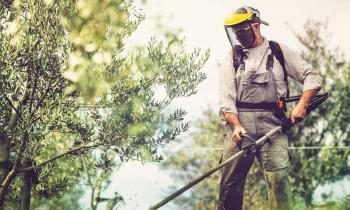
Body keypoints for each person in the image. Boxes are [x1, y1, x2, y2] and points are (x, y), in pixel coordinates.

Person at [217, 6, 322, 210]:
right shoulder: (232, 57)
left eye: (241, 31)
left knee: (279, 182)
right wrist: (236, 126)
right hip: (241, 128)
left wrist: (302, 105)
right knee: (229, 185)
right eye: (234, 32)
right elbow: (226, 101)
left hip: (274, 125)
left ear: (255, 26)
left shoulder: (278, 51)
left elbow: (313, 76)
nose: (237, 36)